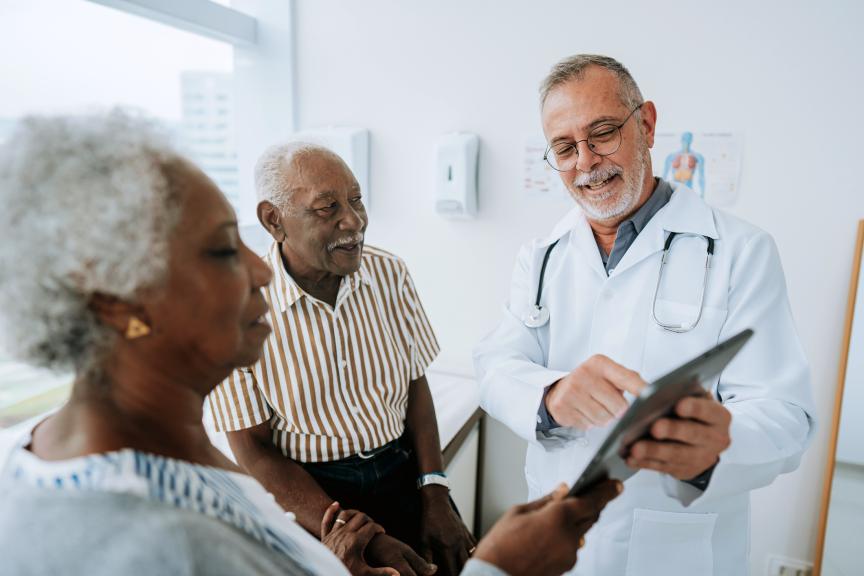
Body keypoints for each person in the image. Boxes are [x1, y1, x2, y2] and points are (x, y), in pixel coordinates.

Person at [0, 111, 621, 576]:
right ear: (118, 304)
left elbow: (411, 384)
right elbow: (254, 461)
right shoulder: (150, 543)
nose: (260, 270)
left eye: (356, 201)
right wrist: (505, 569)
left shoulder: (186, 465)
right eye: (221, 249)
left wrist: (413, 499)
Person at [473, 54, 815, 576]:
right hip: (559, 537)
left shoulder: (741, 251)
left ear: (647, 124)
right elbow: (495, 366)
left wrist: (721, 442)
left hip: (677, 550)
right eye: (565, 148)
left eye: (603, 133)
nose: (586, 162)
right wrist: (550, 396)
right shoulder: (541, 255)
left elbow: (787, 416)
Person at [208, 142, 469, 576]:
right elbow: (253, 451)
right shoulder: (233, 308)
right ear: (274, 220)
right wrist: (352, 530)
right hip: (310, 495)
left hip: (402, 473)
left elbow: (415, 385)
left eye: (356, 199)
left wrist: (435, 492)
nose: (355, 221)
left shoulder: (390, 274)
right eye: (327, 207)